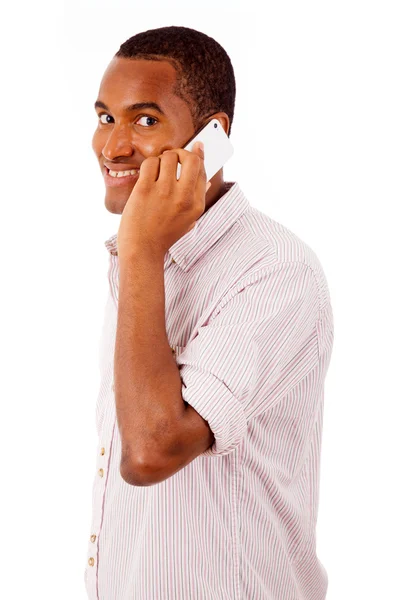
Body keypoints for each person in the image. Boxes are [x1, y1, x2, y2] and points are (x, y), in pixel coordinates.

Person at [84, 25, 334, 600]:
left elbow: (150, 452)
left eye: (145, 120)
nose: (113, 146)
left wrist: (141, 248)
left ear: (212, 137)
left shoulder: (274, 272)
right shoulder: (144, 259)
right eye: (105, 118)